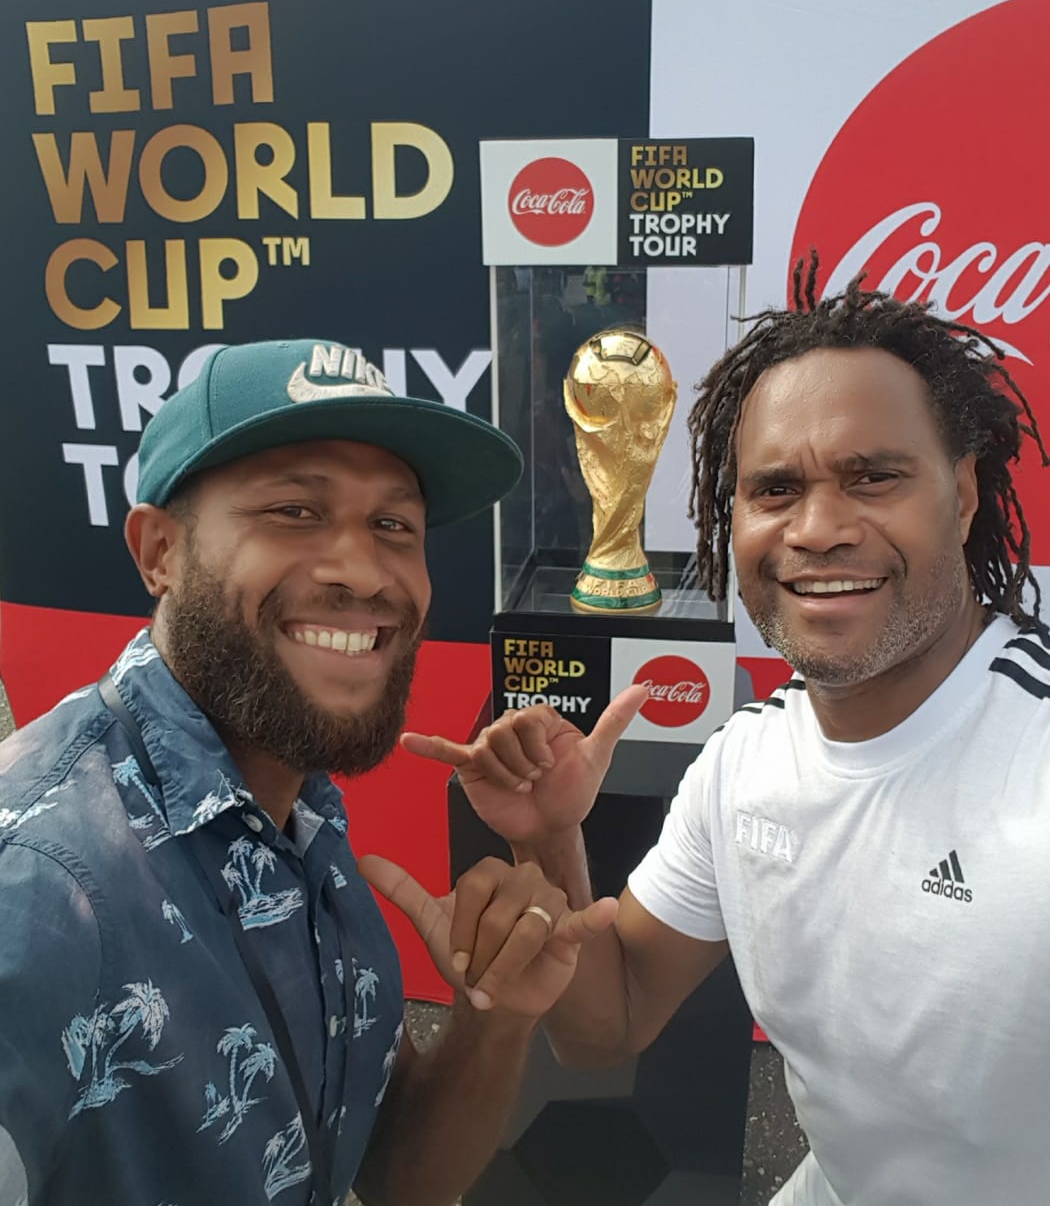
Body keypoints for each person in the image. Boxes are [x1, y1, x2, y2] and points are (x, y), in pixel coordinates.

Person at [407, 259, 1050, 1206]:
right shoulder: (744, 761)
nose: (819, 528)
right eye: (775, 489)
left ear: (961, 498)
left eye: (874, 478)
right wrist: (546, 839)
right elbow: (605, 1024)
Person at [0, 337, 619, 1206]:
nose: (363, 571)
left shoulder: (296, 797)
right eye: (294, 510)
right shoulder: (35, 884)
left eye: (393, 525)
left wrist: (501, 1019)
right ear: (160, 552)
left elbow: (398, 1178)